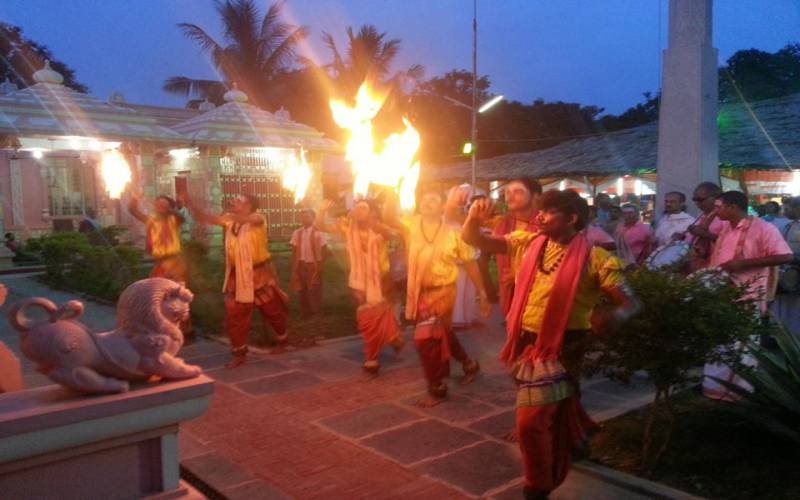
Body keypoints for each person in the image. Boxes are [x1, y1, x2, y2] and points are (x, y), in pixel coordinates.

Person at [462, 190, 639, 500]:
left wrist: (615, 317)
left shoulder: (597, 259)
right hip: (524, 342)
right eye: (539, 210)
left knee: (531, 423)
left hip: (562, 347)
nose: (539, 216)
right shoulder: (528, 243)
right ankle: (577, 440)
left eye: (548, 212)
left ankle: (538, 486)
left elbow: (633, 302)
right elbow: (475, 241)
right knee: (555, 409)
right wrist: (473, 219)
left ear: (571, 219)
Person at [385, 188, 491, 407]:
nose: (427, 202)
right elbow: (387, 217)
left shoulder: (454, 232)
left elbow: (470, 262)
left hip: (443, 292)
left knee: (424, 338)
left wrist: (482, 292)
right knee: (443, 333)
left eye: (433, 198)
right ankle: (468, 364)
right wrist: (391, 190)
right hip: (418, 291)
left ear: (443, 206)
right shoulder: (411, 225)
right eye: (424, 198)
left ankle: (437, 387)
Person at [702, 191, 793, 400]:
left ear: (732, 208)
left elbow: (786, 256)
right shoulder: (726, 227)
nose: (715, 211)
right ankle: (715, 389)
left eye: (718, 207)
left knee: (742, 345)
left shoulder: (764, 228)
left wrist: (743, 264)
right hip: (722, 292)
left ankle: (739, 394)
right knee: (719, 341)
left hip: (748, 294)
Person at [185, 193, 289, 368]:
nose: (233, 201)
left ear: (249, 206)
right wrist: (191, 204)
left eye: (238, 200)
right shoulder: (229, 220)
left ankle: (283, 340)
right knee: (236, 315)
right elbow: (206, 219)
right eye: (234, 199)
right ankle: (239, 353)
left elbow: (247, 219)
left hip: (259, 274)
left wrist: (231, 213)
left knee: (273, 310)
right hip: (236, 276)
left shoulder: (258, 217)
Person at [317, 198, 403, 374]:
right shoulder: (348, 228)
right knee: (367, 317)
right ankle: (386, 343)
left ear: (371, 212)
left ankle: (375, 354)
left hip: (381, 278)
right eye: (356, 208)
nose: (358, 210)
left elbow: (397, 235)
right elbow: (322, 227)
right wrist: (321, 212)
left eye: (363, 208)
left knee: (380, 314)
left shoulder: (379, 227)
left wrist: (381, 226)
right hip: (358, 280)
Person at [491, 178, 542, 315]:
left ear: (535, 196)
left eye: (518, 192)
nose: (510, 196)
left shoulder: (545, 224)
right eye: (507, 192)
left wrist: (518, 274)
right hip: (509, 290)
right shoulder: (502, 224)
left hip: (537, 295)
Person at [128, 193, 187, 284]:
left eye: (163, 204)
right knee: (156, 286)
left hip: (173, 259)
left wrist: (170, 208)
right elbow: (133, 210)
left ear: (168, 207)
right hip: (160, 259)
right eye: (158, 204)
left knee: (176, 286)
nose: (159, 206)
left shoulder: (174, 219)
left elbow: (182, 218)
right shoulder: (151, 220)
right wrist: (135, 199)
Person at [290, 209, 328, 316]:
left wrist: (321, 264)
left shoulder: (319, 233)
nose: (304, 219)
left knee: (314, 287)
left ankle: (315, 310)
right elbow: (294, 249)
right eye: (303, 217)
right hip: (301, 263)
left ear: (313, 218)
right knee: (302, 288)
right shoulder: (297, 233)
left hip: (314, 264)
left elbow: (324, 249)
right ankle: (304, 310)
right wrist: (294, 265)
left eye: (307, 217)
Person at [770, 196, 800, 334]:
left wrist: (793, 259)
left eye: (787, 208)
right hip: (788, 273)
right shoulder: (788, 225)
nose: (783, 211)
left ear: (797, 208)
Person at [685, 182, 724, 271]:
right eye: (694, 199)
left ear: (716, 198)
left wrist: (705, 234)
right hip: (697, 269)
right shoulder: (701, 217)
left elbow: (729, 243)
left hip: (715, 268)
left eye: (700, 199)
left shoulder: (724, 218)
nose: (697, 203)